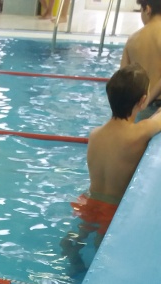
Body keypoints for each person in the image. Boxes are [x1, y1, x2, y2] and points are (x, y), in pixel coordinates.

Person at [61, 64, 161, 270]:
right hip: (115, 206)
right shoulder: (139, 132)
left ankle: (72, 248)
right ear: (143, 100)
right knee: (103, 246)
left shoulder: (96, 134)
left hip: (91, 201)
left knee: (82, 231)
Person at [121, 0, 161, 119]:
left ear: (147, 9)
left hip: (140, 107)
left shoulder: (132, 39)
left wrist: (143, 103)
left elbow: (122, 78)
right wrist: (149, 99)